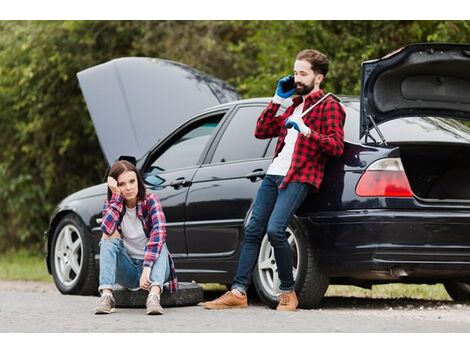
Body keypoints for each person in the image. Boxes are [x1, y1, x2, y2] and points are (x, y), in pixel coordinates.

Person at [203, 49, 346, 312]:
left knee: (275, 229)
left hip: (300, 175)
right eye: (295, 72)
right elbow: (261, 130)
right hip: (274, 173)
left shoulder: (330, 105)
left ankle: (288, 292)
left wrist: (307, 131)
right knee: (253, 229)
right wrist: (278, 98)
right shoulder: (293, 105)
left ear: (319, 78)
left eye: (303, 73)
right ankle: (238, 292)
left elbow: (336, 146)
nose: (297, 78)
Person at [94, 160, 178, 315]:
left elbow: (159, 231)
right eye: (121, 184)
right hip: (129, 271)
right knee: (109, 235)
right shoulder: (111, 204)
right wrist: (117, 198)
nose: (128, 187)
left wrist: (147, 267)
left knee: (160, 240)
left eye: (132, 181)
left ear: (138, 181)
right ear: (115, 187)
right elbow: (106, 229)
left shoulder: (150, 200)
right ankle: (106, 296)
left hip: (153, 269)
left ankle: (153, 296)